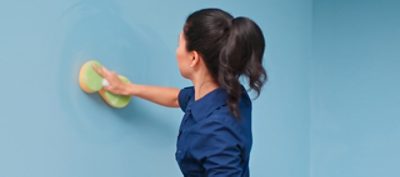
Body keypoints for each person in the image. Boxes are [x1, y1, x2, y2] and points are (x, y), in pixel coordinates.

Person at [93, 8, 267, 177]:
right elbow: (177, 98)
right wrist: (128, 88)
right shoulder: (227, 94)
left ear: (193, 58)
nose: (176, 51)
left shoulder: (216, 134)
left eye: (179, 44)